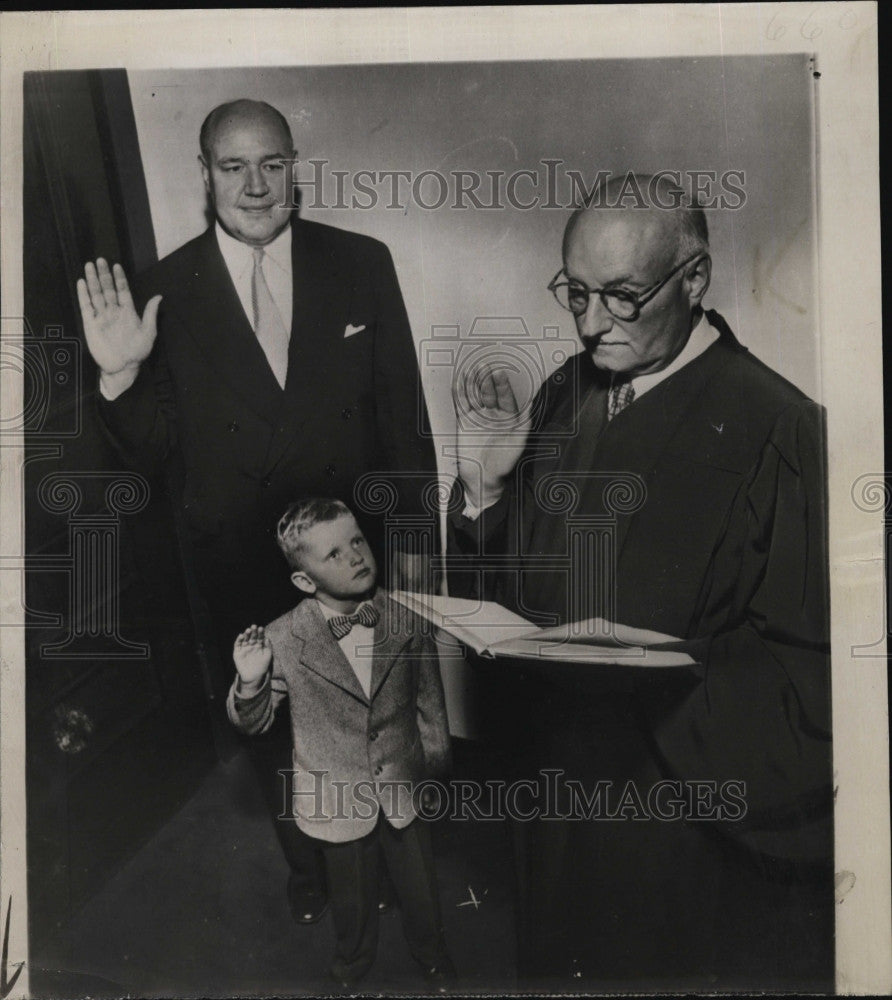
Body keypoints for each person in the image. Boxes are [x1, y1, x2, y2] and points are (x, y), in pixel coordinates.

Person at [448, 174, 833, 992]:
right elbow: (512, 592)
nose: (591, 325)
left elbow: (808, 677)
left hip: (668, 807)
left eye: (622, 295)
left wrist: (664, 670)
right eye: (576, 293)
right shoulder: (566, 390)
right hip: (549, 788)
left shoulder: (781, 428)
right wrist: (486, 488)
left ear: (694, 279)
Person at [76, 99, 438, 924]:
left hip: (357, 559)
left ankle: (390, 858)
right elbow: (152, 452)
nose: (255, 183)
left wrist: (415, 554)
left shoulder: (361, 263)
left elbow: (403, 420)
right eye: (233, 166)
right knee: (280, 735)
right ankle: (310, 869)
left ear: (295, 166)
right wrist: (123, 378)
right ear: (203, 176)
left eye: (272, 163)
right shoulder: (163, 291)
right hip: (243, 567)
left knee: (376, 720)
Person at [227, 498, 455, 990]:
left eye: (357, 541)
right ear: (305, 581)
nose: (355, 556)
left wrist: (432, 766)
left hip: (402, 780)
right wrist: (250, 683)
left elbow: (429, 701)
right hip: (335, 796)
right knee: (351, 898)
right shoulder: (283, 638)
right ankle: (351, 963)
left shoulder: (405, 617)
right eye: (333, 554)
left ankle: (434, 957)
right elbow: (255, 723)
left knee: (420, 888)